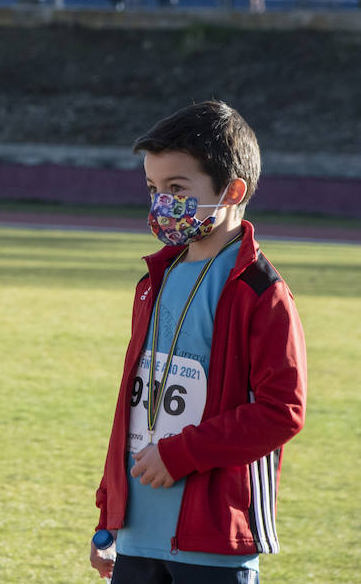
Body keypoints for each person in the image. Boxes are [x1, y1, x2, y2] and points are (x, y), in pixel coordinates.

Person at [91, 100, 307, 583]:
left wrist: (180, 454)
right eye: (152, 188)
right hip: (135, 533)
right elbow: (136, 403)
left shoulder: (261, 292)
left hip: (211, 539)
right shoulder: (155, 279)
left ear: (232, 190)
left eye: (176, 188)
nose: (160, 203)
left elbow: (281, 411)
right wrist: (110, 515)